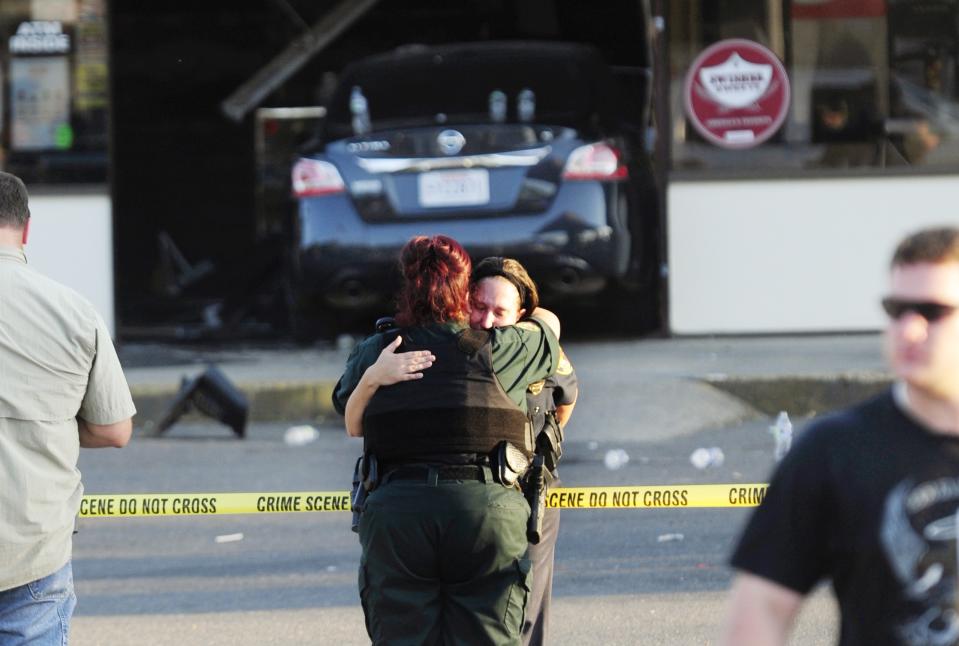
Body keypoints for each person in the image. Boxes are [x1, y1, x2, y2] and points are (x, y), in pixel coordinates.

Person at [721, 226, 959, 646]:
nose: (908, 330)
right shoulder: (835, 450)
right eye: (897, 309)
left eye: (931, 311)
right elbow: (760, 608)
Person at [333, 236, 560, 645]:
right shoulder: (500, 349)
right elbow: (548, 326)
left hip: (398, 516)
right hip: (485, 516)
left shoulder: (378, 351)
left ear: (407, 287)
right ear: (465, 290)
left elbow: (348, 412)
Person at [0, 171, 136, 643]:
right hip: (33, 554)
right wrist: (49, 419)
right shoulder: (74, 312)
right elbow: (116, 430)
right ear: (28, 229)